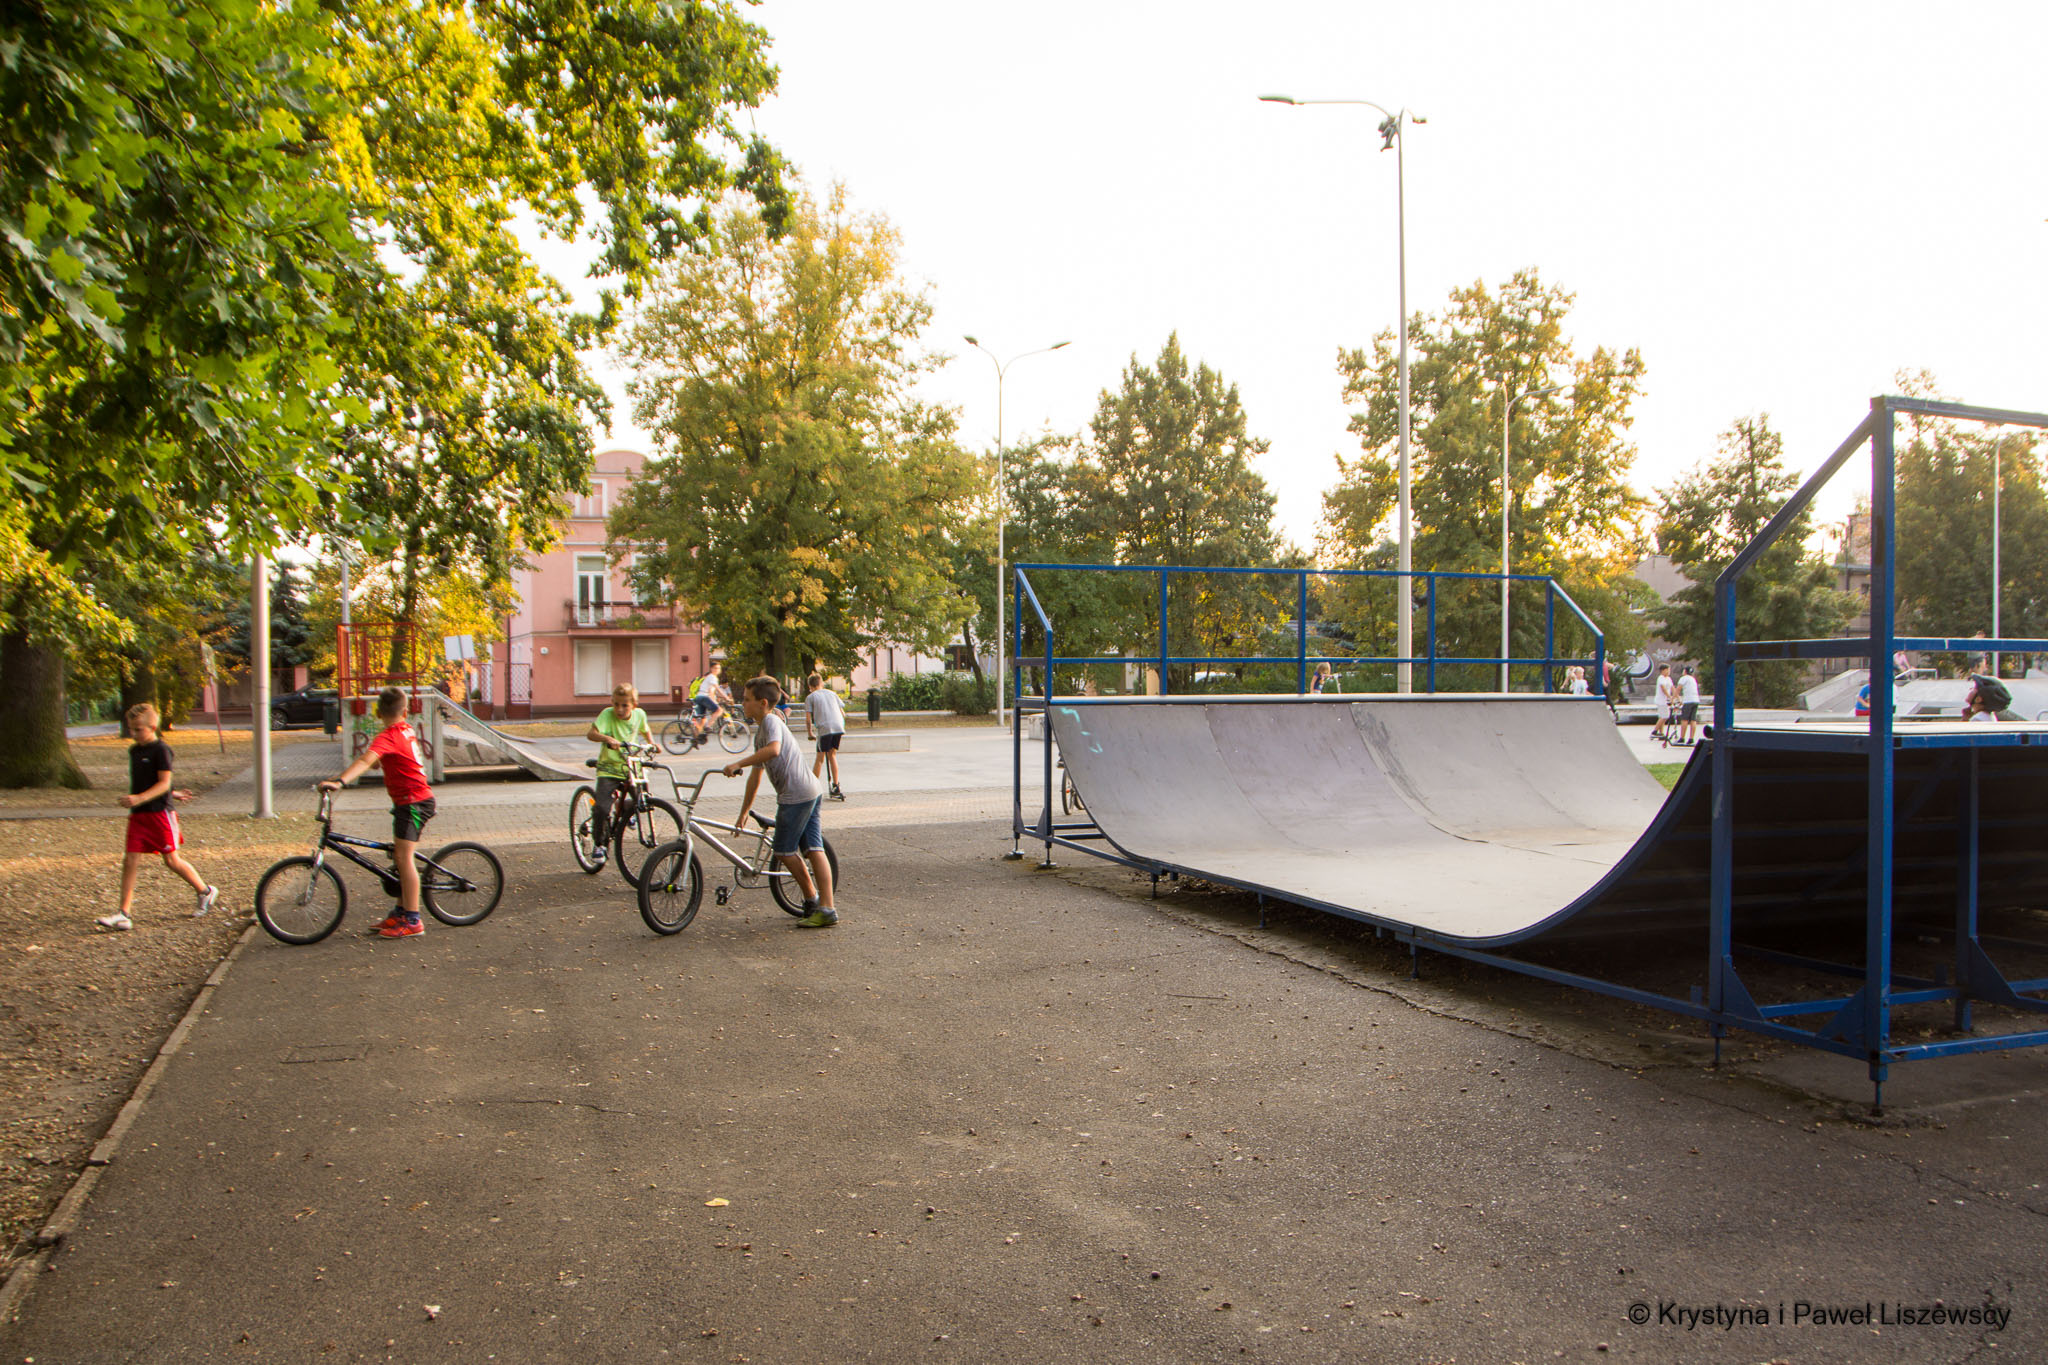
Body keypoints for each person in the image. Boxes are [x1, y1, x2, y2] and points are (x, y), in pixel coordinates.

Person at [319, 687, 435, 939]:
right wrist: (340, 777)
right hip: (409, 801)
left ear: (378, 712)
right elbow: (374, 760)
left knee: (404, 859)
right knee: (398, 857)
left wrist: (340, 782)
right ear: (404, 711)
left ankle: (413, 920)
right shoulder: (405, 729)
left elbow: (365, 760)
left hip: (414, 803)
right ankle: (401, 912)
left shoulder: (389, 735)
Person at [723, 676, 838, 928]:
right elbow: (757, 773)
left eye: (746, 699)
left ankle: (812, 900)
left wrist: (738, 762)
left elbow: (774, 750)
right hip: (810, 790)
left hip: (796, 795)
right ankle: (826, 908)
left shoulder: (771, 721)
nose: (742, 703)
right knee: (812, 849)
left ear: (762, 703)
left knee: (784, 851)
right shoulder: (761, 731)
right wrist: (744, 812)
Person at [96, 703, 218, 932]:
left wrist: (143, 797)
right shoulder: (134, 751)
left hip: (160, 815)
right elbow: (151, 782)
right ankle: (124, 913)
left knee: (171, 860)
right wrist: (169, 793)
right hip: (139, 815)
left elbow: (163, 782)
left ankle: (205, 891)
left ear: (152, 726)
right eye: (131, 729)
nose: (133, 734)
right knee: (130, 860)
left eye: (138, 729)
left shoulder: (161, 750)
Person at [585, 681, 653, 866]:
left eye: (624, 705)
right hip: (609, 768)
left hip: (631, 766)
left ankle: (625, 809)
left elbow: (645, 730)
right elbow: (591, 734)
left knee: (644, 801)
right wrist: (607, 738)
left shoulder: (639, 715)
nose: (619, 709)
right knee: (601, 808)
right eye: (616, 704)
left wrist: (652, 743)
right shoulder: (607, 715)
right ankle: (599, 844)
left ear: (634, 705)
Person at [804, 671, 847, 800]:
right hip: (838, 727)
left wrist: (810, 733)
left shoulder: (810, 697)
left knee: (820, 758)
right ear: (821, 683)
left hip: (824, 728)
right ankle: (836, 785)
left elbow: (808, 719)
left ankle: (812, 788)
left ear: (810, 686)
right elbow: (843, 714)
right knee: (832, 755)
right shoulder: (832, 693)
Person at [689, 662, 731, 748]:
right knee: (719, 710)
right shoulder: (712, 677)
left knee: (702, 720)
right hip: (703, 697)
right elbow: (717, 688)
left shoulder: (709, 678)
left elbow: (711, 692)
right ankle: (708, 727)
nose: (717, 670)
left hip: (699, 697)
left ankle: (694, 740)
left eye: (719, 668)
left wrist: (715, 701)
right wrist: (726, 697)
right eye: (715, 668)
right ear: (711, 669)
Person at [1677, 665, 1702, 745]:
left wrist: (1673, 698)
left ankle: (1682, 738)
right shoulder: (1693, 679)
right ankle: (1691, 739)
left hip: (1688, 701)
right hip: (1696, 700)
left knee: (1684, 719)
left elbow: (1678, 689)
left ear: (1684, 671)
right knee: (1693, 720)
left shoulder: (1683, 678)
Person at [1652, 664, 1676, 743]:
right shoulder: (1661, 678)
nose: (1669, 671)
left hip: (1666, 701)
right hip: (1661, 700)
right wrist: (1670, 697)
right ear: (1663, 670)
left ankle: (1661, 733)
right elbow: (1663, 689)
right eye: (1667, 670)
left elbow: (1672, 688)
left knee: (1662, 716)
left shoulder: (1668, 678)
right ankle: (1654, 732)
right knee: (1665, 716)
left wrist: (1677, 697)